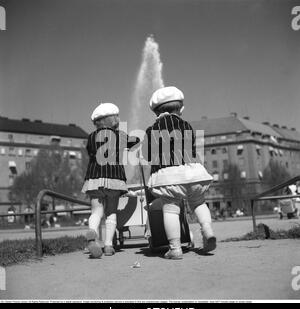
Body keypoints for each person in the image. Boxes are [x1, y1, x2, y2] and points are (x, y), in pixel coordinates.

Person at [140, 86, 217, 260]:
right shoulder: (187, 125)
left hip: (169, 177)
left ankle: (175, 248)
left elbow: (146, 155)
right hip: (193, 173)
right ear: (181, 109)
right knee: (198, 203)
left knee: (171, 209)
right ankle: (207, 230)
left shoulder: (151, 130)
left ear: (155, 112)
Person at [82, 103, 139, 258]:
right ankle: (108, 245)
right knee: (111, 212)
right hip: (114, 178)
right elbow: (134, 142)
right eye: (117, 116)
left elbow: (89, 151)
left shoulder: (91, 137)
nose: (119, 119)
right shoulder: (120, 135)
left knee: (96, 211)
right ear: (110, 119)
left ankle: (92, 233)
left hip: (94, 179)